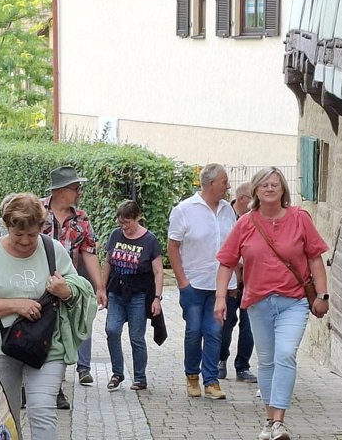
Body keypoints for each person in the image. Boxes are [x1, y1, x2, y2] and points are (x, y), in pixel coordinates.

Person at [0, 192, 96, 440]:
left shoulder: (53, 249)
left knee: (42, 408)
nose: (26, 241)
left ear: (42, 227)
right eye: (18, 234)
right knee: (7, 411)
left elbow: (78, 289)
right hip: (2, 346)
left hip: (47, 345)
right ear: (7, 226)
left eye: (32, 233)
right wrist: (17, 304)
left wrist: (65, 290)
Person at [215, 167, 330, 440]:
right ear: (255, 190)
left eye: (275, 185)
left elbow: (315, 258)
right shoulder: (245, 223)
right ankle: (269, 420)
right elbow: (227, 262)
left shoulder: (300, 218)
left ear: (283, 190)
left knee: (285, 354)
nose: (269, 189)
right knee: (266, 361)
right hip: (258, 302)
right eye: (264, 185)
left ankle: (279, 421)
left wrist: (322, 295)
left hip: (294, 301)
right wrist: (220, 299)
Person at [166, 164, 237, 400]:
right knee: (194, 331)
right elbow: (173, 246)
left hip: (220, 285)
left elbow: (233, 247)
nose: (228, 186)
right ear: (211, 184)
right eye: (225, 182)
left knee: (215, 332)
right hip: (194, 284)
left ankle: (211, 381)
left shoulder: (227, 210)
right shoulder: (184, 210)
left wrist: (234, 281)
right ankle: (192, 376)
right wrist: (182, 282)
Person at [42, 166, 106, 404]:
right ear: (60, 191)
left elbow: (89, 252)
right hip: (37, 283)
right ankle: (30, 384)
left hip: (66, 285)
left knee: (61, 334)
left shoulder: (81, 218)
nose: (80, 192)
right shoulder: (37, 210)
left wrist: (99, 287)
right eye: (76, 188)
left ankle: (55, 388)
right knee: (38, 333)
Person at [101, 200, 163, 392]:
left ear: (137, 218)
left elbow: (158, 271)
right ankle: (117, 373)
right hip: (116, 291)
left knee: (136, 337)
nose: (124, 227)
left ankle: (140, 377)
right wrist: (101, 288)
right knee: (112, 330)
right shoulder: (115, 235)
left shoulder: (149, 240)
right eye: (121, 222)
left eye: (127, 222)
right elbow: (108, 263)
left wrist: (157, 298)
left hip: (138, 294)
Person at [219, 182, 256, 384]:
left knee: (249, 326)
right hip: (231, 281)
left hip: (251, 280)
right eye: (254, 199)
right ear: (242, 199)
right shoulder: (224, 216)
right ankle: (221, 359)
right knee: (226, 323)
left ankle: (243, 366)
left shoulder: (257, 218)